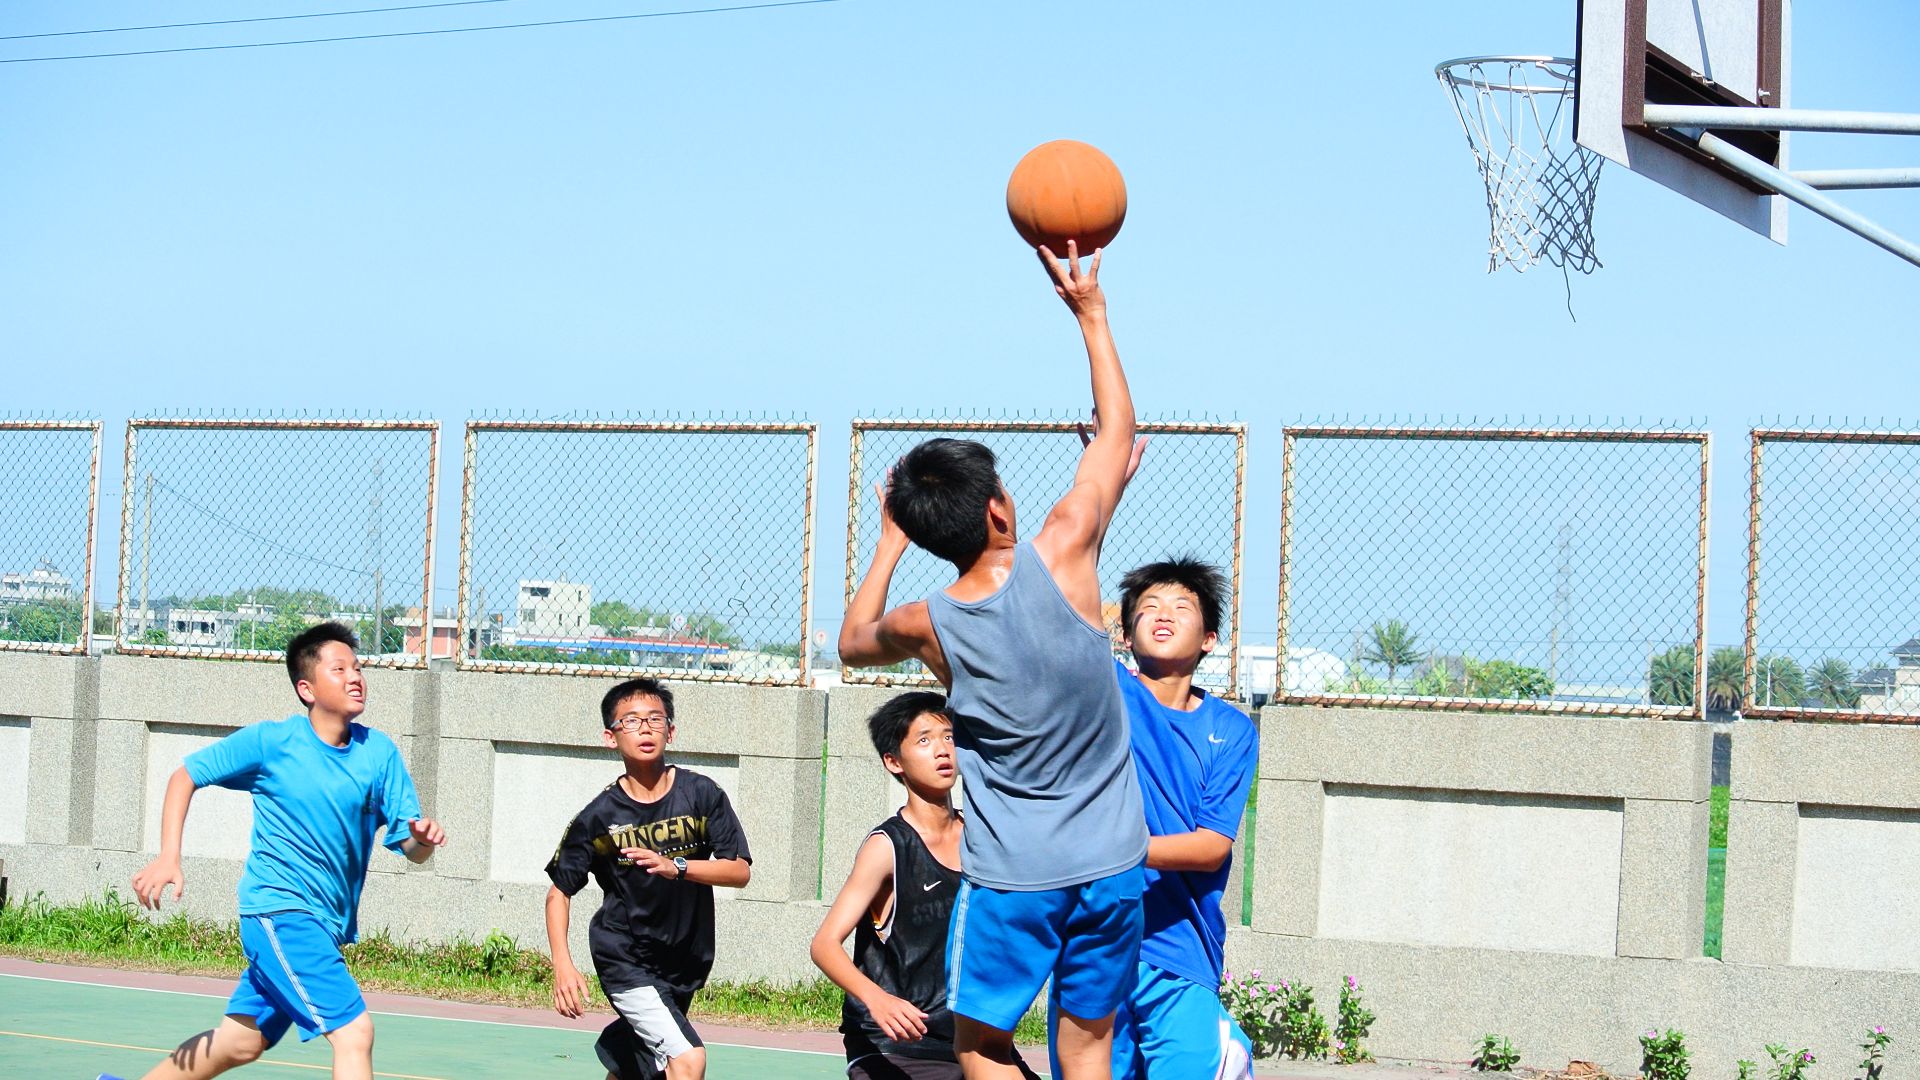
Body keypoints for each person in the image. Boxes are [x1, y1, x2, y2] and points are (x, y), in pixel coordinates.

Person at [839, 241, 1150, 1080]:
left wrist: (888, 540)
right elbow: (1119, 430)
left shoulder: (927, 622)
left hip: (1017, 875)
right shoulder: (1067, 545)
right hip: (1116, 860)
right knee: (1088, 1043)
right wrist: (1092, 314)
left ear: (936, 536)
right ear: (1002, 507)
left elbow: (849, 642)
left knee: (980, 1043)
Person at [116, 621, 445, 1080]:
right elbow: (184, 776)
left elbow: (409, 848)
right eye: (339, 669)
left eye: (358, 667)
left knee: (239, 1042)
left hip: (323, 925)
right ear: (306, 688)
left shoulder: (379, 754)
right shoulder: (272, 743)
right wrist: (169, 855)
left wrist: (423, 842)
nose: (355, 677)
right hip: (281, 912)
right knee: (354, 1033)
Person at [1082, 557, 1258, 1080]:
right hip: (1094, 939)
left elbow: (1210, 848)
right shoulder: (1105, 688)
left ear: (1208, 638)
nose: (1163, 614)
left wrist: (1117, 849)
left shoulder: (1231, 729)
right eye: (1148, 607)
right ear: (1125, 633)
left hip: (1180, 949)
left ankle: (1227, 1049)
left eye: (1181, 607)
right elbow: (1073, 590)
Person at [810, 691, 1039, 1080]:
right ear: (893, 761)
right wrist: (877, 999)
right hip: (897, 1047)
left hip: (976, 1039)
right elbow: (824, 944)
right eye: (924, 739)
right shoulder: (887, 848)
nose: (942, 750)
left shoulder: (982, 837)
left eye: (948, 737)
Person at [545, 676, 752, 1080]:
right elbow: (559, 893)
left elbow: (739, 870)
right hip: (625, 958)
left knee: (636, 1070)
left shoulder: (702, 794)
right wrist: (562, 964)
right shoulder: (598, 818)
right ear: (611, 737)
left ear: (670, 731)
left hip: (683, 960)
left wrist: (677, 866)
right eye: (631, 720)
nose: (644, 727)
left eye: (655, 719)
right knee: (687, 1059)